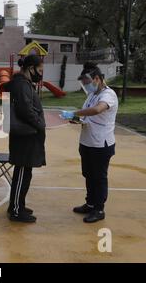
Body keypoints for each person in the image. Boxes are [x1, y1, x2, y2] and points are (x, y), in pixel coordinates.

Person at [60, 63, 118, 223]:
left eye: (88, 83)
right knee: (88, 175)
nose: (86, 86)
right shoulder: (91, 95)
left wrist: (74, 113)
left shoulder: (109, 95)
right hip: (87, 142)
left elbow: (98, 110)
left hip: (101, 144)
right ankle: (90, 203)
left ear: (97, 79)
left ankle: (99, 209)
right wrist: (77, 119)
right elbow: (89, 116)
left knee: (99, 177)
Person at [4, 54, 46, 223]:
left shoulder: (24, 83)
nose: (41, 74)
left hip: (27, 135)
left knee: (24, 174)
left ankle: (18, 205)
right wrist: (39, 124)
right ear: (31, 68)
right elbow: (25, 110)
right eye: (40, 70)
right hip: (25, 136)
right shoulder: (21, 85)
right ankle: (15, 210)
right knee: (21, 173)